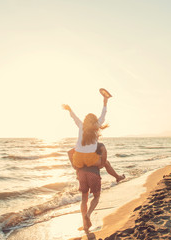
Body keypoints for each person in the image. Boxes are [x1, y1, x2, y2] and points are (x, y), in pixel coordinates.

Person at [62, 91, 125, 232]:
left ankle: (84, 223)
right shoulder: (97, 126)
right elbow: (104, 114)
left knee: (84, 197)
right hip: (90, 159)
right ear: (94, 121)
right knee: (96, 195)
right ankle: (89, 215)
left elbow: (74, 117)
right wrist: (105, 100)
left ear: (85, 121)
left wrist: (69, 109)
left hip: (78, 158)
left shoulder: (81, 126)